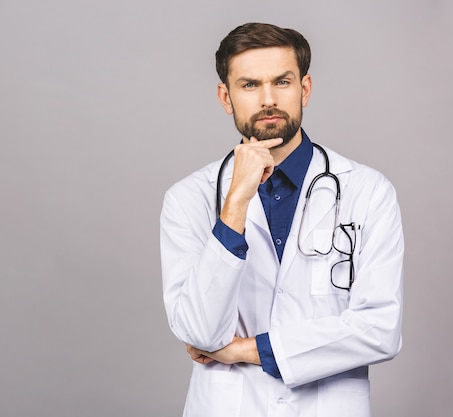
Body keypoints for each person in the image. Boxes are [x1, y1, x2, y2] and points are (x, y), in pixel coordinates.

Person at [160, 22, 403, 417]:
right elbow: (199, 331)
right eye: (250, 85)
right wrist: (235, 202)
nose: (268, 99)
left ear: (304, 88)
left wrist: (244, 349)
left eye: (282, 82)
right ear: (226, 96)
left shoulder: (369, 191)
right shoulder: (188, 198)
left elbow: (380, 330)